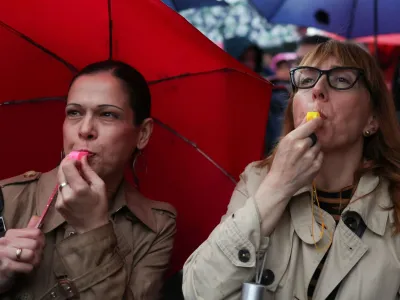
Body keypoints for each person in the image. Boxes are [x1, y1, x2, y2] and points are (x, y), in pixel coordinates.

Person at [183, 40, 400, 299]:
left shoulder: (394, 199)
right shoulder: (258, 179)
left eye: (341, 80)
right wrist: (276, 188)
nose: (318, 90)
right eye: (306, 80)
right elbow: (198, 291)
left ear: (372, 119)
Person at [0, 60, 176, 299]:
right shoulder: (7, 197)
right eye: (74, 112)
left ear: (142, 134)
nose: (85, 130)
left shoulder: (155, 226)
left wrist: (92, 229)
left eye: (107, 114)